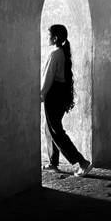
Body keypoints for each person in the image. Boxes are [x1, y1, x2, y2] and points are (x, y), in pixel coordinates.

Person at [41, 24, 93, 177]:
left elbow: (48, 77)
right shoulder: (61, 52)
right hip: (61, 94)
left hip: (53, 95)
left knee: (56, 131)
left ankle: (82, 162)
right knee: (49, 128)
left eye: (49, 35)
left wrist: (41, 94)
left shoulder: (55, 54)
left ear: (55, 37)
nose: (47, 37)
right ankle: (53, 162)